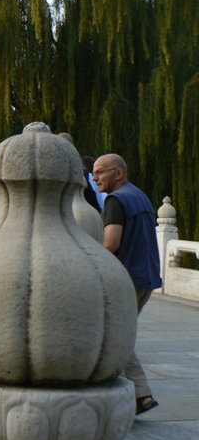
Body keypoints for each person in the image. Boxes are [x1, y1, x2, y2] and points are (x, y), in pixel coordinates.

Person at [93, 153, 162, 415]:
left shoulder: (116, 200)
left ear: (118, 173)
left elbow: (111, 243)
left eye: (101, 172)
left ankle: (134, 394)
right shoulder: (139, 196)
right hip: (146, 277)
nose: (95, 177)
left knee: (114, 335)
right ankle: (139, 396)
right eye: (95, 172)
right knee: (119, 335)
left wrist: (88, 256)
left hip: (127, 278)